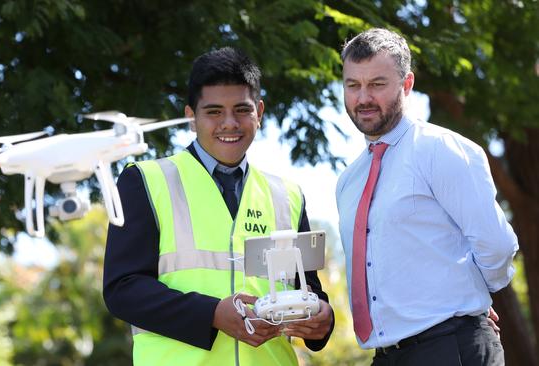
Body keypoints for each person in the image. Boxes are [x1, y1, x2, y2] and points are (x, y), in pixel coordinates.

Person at [103, 47, 334, 365]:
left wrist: (323, 319)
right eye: (213, 112)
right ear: (191, 117)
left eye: (242, 109)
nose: (229, 123)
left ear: (260, 112)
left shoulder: (288, 196)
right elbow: (122, 290)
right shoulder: (144, 181)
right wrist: (211, 314)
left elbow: (308, 291)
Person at [335, 28, 518, 365]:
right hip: (387, 356)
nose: (363, 99)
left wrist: (471, 305)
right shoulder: (349, 182)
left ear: (406, 84)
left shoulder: (441, 150)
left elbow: (497, 246)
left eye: (377, 84)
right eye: (353, 85)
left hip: (451, 349)